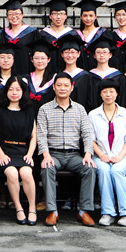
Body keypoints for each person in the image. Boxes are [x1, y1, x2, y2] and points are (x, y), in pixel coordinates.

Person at [37, 72, 97, 227]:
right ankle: (52, 211)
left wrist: (88, 154)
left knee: (89, 168)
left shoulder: (80, 109)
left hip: (73, 155)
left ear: (72, 88)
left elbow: (87, 134)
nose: (62, 88)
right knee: (47, 168)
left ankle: (84, 211)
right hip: (53, 154)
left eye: (66, 85)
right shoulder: (44, 109)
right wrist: (46, 155)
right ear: (54, 87)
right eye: (59, 85)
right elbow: (41, 135)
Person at [0, 76, 38, 225]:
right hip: (4, 151)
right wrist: (1, 154)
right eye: (11, 89)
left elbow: (34, 136)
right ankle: (18, 208)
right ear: (6, 91)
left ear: (23, 91)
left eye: (18, 89)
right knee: (12, 173)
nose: (14, 93)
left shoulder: (29, 111)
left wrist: (30, 154)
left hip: (23, 151)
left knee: (26, 173)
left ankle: (32, 208)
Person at [88, 79, 126, 226]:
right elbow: (91, 140)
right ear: (100, 94)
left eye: (111, 91)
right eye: (104, 92)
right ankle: (108, 212)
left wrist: (119, 156)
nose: (108, 94)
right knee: (103, 171)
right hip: (100, 156)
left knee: (116, 171)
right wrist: (102, 155)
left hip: (123, 156)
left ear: (116, 93)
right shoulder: (93, 115)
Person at [84, 33, 126, 112]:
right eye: (98, 52)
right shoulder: (89, 77)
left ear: (110, 55)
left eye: (105, 52)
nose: (101, 55)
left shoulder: (119, 77)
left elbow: (123, 100)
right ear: (94, 55)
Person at [0, 0, 36, 76]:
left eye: (17, 14)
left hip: (26, 71)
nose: (14, 16)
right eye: (10, 14)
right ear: (7, 16)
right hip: (7, 72)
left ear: (22, 15)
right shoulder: (2, 34)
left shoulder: (32, 33)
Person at [38, 0, 75, 72]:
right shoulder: (43, 34)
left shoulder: (72, 34)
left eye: (61, 14)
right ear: (50, 16)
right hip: (47, 72)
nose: (58, 17)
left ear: (66, 16)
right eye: (55, 14)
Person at [23, 38, 56, 114]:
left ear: (48, 59)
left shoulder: (54, 79)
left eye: (43, 58)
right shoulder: (25, 79)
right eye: (36, 58)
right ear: (32, 59)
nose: (40, 61)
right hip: (28, 116)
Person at [74, 0, 107, 70]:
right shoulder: (76, 35)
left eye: (91, 15)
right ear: (81, 17)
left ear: (95, 16)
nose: (88, 19)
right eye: (85, 16)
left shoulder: (103, 33)